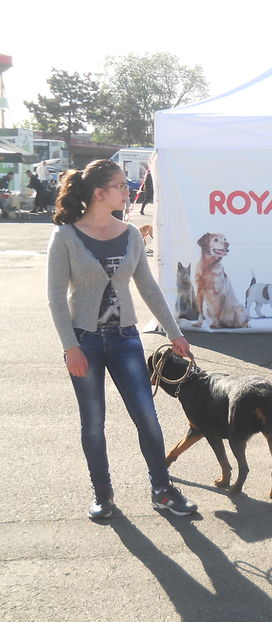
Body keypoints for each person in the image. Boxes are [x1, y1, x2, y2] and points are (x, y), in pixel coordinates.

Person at [47, 159, 198, 519]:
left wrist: (175, 333)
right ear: (100, 193)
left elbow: (148, 287)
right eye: (120, 185)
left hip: (125, 338)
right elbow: (55, 296)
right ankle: (103, 495)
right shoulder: (66, 236)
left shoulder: (130, 234)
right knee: (93, 422)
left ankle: (162, 490)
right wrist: (70, 347)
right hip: (84, 341)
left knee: (147, 417)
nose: (127, 190)